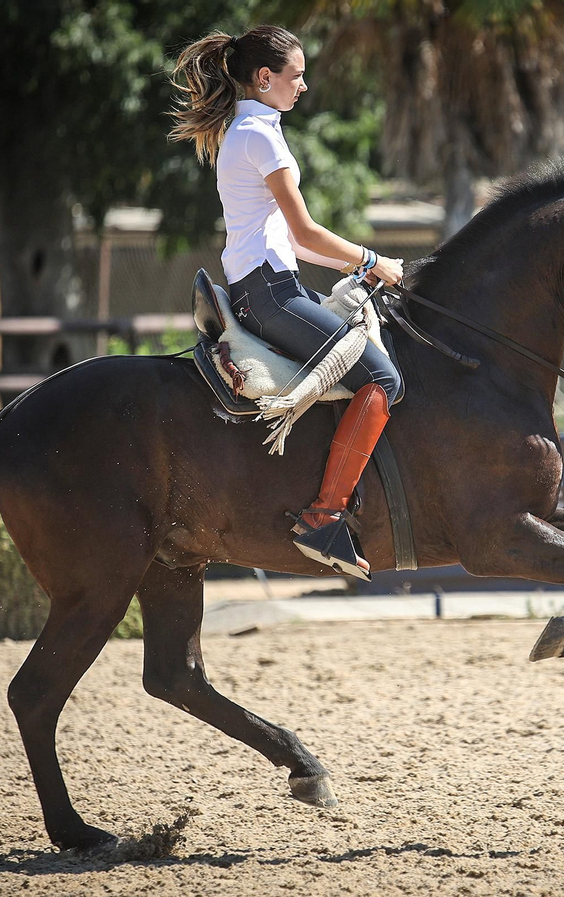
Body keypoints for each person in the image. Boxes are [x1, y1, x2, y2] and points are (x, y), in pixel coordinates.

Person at [169, 25, 404, 576]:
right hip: (270, 294)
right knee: (384, 378)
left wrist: (359, 272)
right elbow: (307, 232)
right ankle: (324, 519)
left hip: (273, 287)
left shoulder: (248, 132)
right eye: (296, 76)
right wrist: (372, 262)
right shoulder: (260, 137)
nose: (304, 85)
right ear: (265, 77)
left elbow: (293, 241)